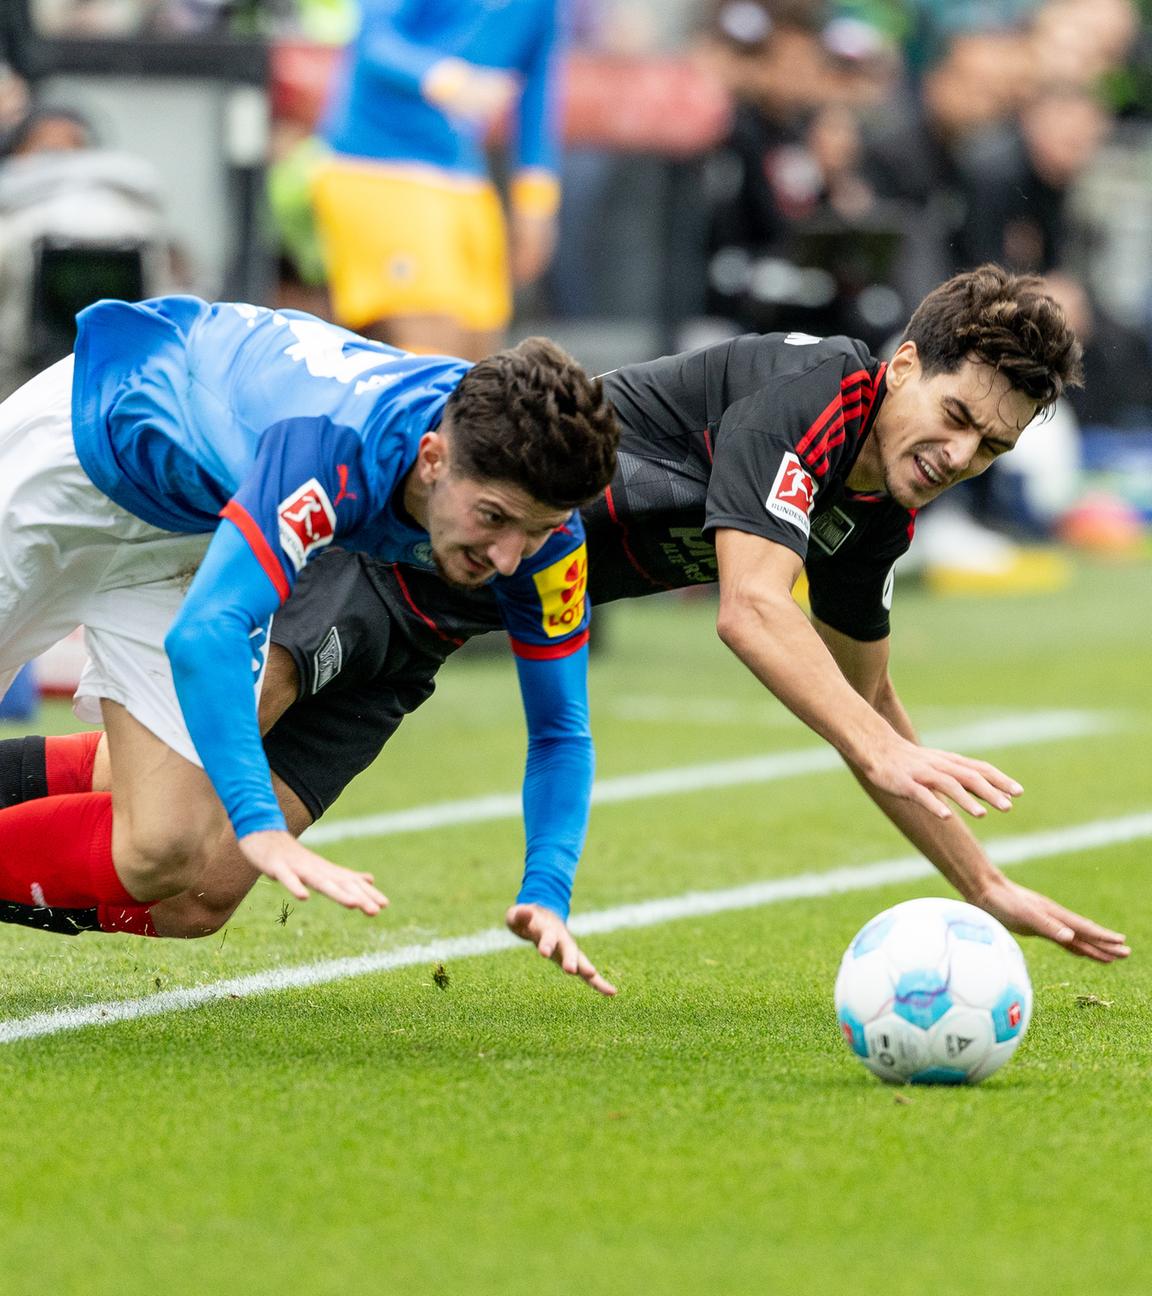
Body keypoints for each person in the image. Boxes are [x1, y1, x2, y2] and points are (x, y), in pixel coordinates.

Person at [0, 266, 1128, 974]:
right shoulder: (817, 391)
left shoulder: (874, 520)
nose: (962, 455)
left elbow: (876, 714)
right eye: (958, 416)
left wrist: (982, 883)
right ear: (906, 364)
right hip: (399, 537)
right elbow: (749, 611)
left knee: (197, 896)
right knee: (177, 821)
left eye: (994, 448)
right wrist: (882, 743)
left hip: (452, 612)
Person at [0, 295, 621, 988]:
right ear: (432, 459)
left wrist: (547, 888)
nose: (511, 558)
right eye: (494, 518)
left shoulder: (545, 537)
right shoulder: (334, 447)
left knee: (165, 848)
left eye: (535, 529)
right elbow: (208, 637)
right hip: (74, 455)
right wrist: (259, 823)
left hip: (182, 529)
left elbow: (562, 731)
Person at [312, 0, 565, 360]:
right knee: (433, 351)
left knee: (481, 361)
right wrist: (449, 80)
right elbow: (374, 40)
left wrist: (536, 202)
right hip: (378, 163)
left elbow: (538, 89)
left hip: (462, 175)